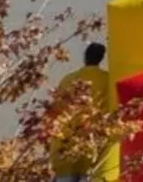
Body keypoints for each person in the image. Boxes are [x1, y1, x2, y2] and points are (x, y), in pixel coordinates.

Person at [50, 44, 117, 181]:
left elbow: (55, 111)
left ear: (85, 57)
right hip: (92, 149)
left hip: (64, 148)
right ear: (102, 58)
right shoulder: (108, 81)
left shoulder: (68, 80)